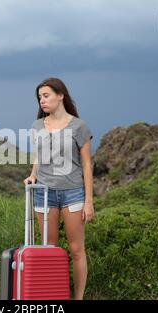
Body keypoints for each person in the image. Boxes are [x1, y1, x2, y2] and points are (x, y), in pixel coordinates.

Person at [23, 77, 95, 300]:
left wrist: (89, 201)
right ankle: (53, 297)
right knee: (50, 250)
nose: (42, 101)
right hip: (44, 194)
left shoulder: (78, 126)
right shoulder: (37, 126)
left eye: (46, 96)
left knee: (76, 249)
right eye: (39, 97)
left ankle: (78, 297)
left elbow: (86, 165)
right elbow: (40, 156)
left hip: (73, 192)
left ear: (60, 95)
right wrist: (33, 175)